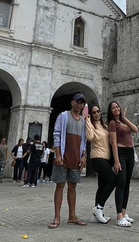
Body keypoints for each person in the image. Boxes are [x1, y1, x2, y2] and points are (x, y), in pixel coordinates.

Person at [49, 92, 88, 229]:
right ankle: (57, 216)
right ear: (72, 102)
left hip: (76, 158)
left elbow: (84, 140)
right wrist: (58, 155)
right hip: (63, 157)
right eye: (77, 101)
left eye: (81, 102)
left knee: (73, 187)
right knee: (60, 186)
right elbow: (57, 135)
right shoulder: (63, 116)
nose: (79, 104)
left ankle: (72, 216)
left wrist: (84, 156)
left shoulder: (83, 121)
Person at [108, 100, 139, 227]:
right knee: (120, 183)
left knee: (126, 184)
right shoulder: (112, 123)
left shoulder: (123, 121)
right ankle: (119, 215)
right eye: (113, 108)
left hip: (130, 152)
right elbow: (113, 143)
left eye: (117, 107)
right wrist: (116, 161)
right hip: (120, 153)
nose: (116, 109)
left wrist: (125, 118)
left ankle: (124, 212)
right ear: (110, 111)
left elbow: (135, 129)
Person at [85, 103, 113, 224]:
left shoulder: (104, 126)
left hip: (106, 158)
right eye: (94, 112)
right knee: (113, 181)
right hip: (97, 158)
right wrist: (87, 121)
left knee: (102, 185)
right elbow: (90, 137)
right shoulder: (91, 125)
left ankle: (96, 215)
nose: (97, 114)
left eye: (98, 111)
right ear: (91, 114)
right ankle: (99, 207)